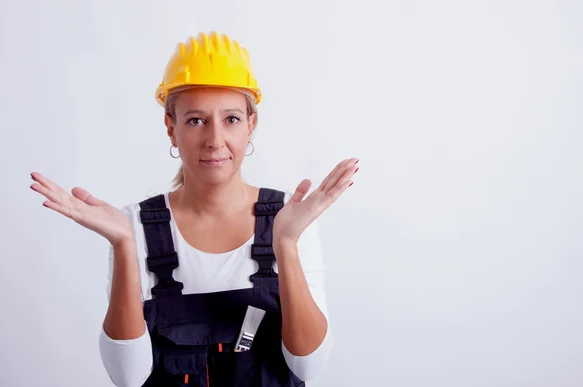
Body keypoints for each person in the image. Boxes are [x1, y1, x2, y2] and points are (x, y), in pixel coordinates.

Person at [30, 31, 359, 387]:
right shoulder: (135, 227)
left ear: (251, 125)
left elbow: (308, 366)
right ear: (171, 128)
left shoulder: (290, 218)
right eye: (196, 120)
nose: (215, 139)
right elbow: (128, 376)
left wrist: (287, 246)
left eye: (231, 119)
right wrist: (124, 245)